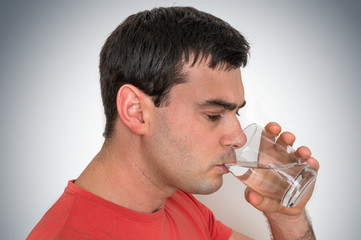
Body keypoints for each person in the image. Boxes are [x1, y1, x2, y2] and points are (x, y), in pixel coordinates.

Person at [27, 6, 319, 240]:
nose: (238, 138)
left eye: (236, 113)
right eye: (214, 115)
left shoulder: (177, 201)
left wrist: (286, 217)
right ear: (136, 111)